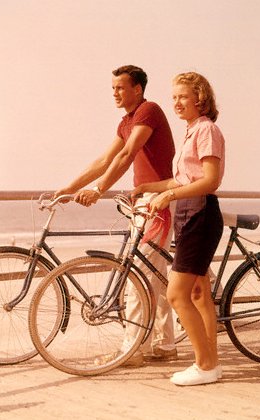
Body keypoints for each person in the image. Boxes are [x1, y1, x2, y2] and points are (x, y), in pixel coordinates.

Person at [54, 65, 177, 365]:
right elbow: (105, 159)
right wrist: (68, 188)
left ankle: (133, 350)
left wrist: (98, 190)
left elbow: (127, 154)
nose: (115, 93)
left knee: (138, 274)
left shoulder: (149, 110)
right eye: (113, 88)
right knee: (154, 274)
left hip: (157, 201)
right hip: (144, 201)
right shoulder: (126, 122)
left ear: (137, 89)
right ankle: (164, 344)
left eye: (120, 88)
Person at [132, 72, 225, 385]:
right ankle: (211, 361)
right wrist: (148, 186)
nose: (176, 103)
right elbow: (183, 178)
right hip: (188, 212)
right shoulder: (191, 131)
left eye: (183, 96)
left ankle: (205, 365)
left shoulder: (207, 130)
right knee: (199, 294)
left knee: (176, 294)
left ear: (200, 97)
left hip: (200, 213)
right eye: (173, 97)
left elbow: (210, 180)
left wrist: (168, 195)